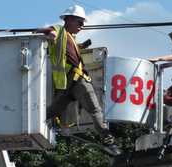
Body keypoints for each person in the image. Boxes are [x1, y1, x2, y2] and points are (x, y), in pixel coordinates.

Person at [36, 5, 121, 155]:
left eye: (83, 23)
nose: (82, 26)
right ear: (68, 20)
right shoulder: (59, 31)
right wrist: (49, 33)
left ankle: (32, 124)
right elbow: (48, 31)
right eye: (79, 22)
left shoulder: (70, 38)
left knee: (51, 111)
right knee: (95, 109)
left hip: (66, 85)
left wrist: (82, 46)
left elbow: (68, 52)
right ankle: (109, 141)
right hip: (78, 80)